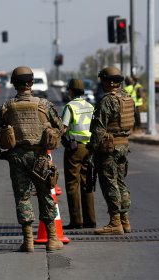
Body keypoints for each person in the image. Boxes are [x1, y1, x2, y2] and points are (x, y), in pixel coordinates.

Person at [0, 66, 64, 252]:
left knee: (22, 197)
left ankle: (28, 241)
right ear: (32, 83)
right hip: (40, 158)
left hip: (17, 158)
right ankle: (52, 239)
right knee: (45, 195)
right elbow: (60, 127)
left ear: (13, 84)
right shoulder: (44, 105)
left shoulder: (7, 107)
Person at [88, 66, 135, 235]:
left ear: (108, 82)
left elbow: (99, 129)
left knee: (110, 183)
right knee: (121, 183)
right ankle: (125, 221)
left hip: (109, 148)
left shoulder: (107, 100)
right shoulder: (128, 99)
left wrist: (91, 150)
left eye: (103, 81)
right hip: (123, 146)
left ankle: (115, 222)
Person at [61, 79, 96, 230]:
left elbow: (63, 128)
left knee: (72, 185)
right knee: (87, 183)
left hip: (74, 149)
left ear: (71, 91)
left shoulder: (70, 107)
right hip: (89, 148)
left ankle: (76, 221)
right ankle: (90, 220)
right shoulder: (90, 106)